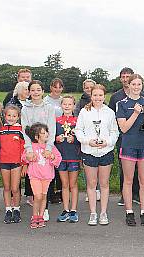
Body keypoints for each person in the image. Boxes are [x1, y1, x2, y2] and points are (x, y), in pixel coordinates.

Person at [75, 84, 119, 225]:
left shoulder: (110, 112)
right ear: (91, 96)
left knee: (104, 183)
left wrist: (107, 142)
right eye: (95, 95)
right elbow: (78, 130)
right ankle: (93, 213)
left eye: (100, 95)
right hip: (89, 152)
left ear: (104, 96)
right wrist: (88, 141)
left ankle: (103, 213)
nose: (98, 98)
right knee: (92, 183)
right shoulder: (84, 112)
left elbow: (114, 132)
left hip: (106, 152)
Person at [116, 74, 144, 226]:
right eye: (134, 84)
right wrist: (135, 113)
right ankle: (129, 212)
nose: (136, 87)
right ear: (129, 85)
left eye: (139, 84)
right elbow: (124, 128)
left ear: (142, 85)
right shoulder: (122, 104)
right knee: (128, 180)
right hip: (128, 145)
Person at [21, 80, 56, 221]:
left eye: (38, 90)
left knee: (47, 177)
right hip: (33, 148)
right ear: (29, 92)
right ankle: (36, 209)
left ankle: (45, 209)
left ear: (43, 91)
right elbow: (25, 130)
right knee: (35, 177)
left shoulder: (49, 108)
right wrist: (29, 149)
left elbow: (52, 129)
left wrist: (48, 148)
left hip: (46, 146)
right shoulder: (25, 109)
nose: (36, 92)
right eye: (33, 90)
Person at [108, 67, 140, 206]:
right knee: (124, 167)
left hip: (139, 136)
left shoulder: (141, 94)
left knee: (139, 167)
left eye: (128, 76)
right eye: (124, 76)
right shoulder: (116, 97)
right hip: (122, 136)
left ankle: (137, 194)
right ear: (120, 78)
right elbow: (110, 116)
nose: (126, 79)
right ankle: (124, 194)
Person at [22, 123, 62, 229]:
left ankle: (40, 216)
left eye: (46, 132)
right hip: (35, 176)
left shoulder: (50, 147)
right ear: (36, 136)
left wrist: (52, 157)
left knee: (44, 197)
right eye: (43, 133)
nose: (46, 134)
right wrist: (30, 157)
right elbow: (24, 157)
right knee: (38, 196)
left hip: (47, 176)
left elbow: (58, 158)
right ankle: (34, 216)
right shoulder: (32, 147)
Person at [55, 95, 81, 223]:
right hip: (61, 157)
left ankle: (73, 210)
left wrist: (74, 139)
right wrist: (56, 139)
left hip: (74, 157)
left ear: (74, 106)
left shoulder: (78, 121)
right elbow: (51, 138)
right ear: (61, 105)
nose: (67, 106)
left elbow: (82, 137)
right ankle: (65, 210)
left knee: (73, 184)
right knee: (64, 185)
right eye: (64, 104)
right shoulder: (56, 121)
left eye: (69, 104)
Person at [0, 105, 24, 224]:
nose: (11, 118)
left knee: (15, 188)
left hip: (16, 163)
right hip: (4, 162)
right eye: (9, 115)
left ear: (18, 117)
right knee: (7, 187)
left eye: (14, 116)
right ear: (4, 116)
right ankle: (8, 209)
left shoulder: (21, 130)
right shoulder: (1, 129)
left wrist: (24, 164)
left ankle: (17, 209)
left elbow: (24, 148)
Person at [44, 78, 65, 204]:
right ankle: (50, 192)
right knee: (50, 163)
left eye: (60, 87)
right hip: (49, 133)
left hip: (62, 133)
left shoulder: (63, 100)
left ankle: (60, 192)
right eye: (55, 87)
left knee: (60, 162)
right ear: (51, 87)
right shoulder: (46, 101)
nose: (57, 89)